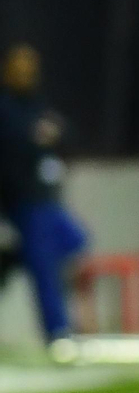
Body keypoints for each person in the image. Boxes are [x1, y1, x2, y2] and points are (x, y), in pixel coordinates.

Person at [0, 42, 88, 346]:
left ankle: (11, 258)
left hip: (46, 196)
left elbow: (64, 131)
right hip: (23, 198)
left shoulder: (37, 103)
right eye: (20, 69)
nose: (26, 75)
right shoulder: (5, 108)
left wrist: (53, 134)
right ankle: (57, 332)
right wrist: (35, 138)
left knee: (75, 240)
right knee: (45, 266)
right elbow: (16, 145)